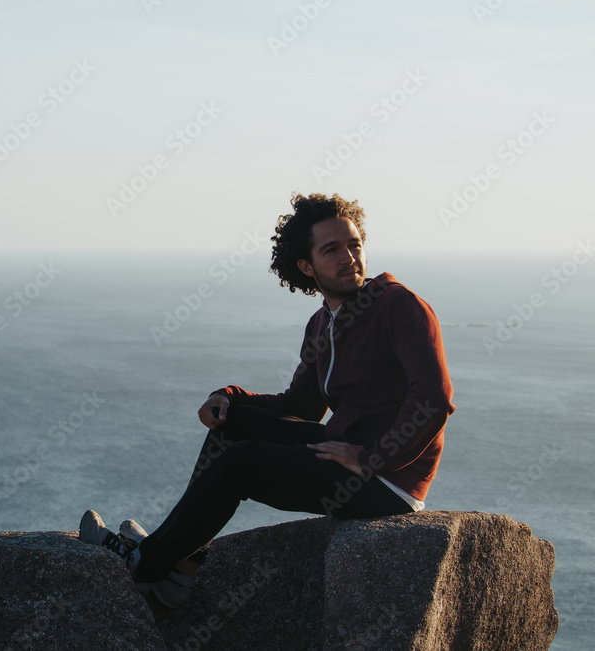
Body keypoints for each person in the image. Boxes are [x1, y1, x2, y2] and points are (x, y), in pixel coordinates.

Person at [79, 192, 456, 608]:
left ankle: (143, 567)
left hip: (387, 483)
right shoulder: (321, 325)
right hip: (342, 452)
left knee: (241, 464)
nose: (349, 257)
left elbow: (434, 399)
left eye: (354, 245)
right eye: (331, 250)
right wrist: (229, 397)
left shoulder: (398, 306)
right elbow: (302, 404)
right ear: (306, 266)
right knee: (234, 423)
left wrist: (371, 458)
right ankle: (181, 563)